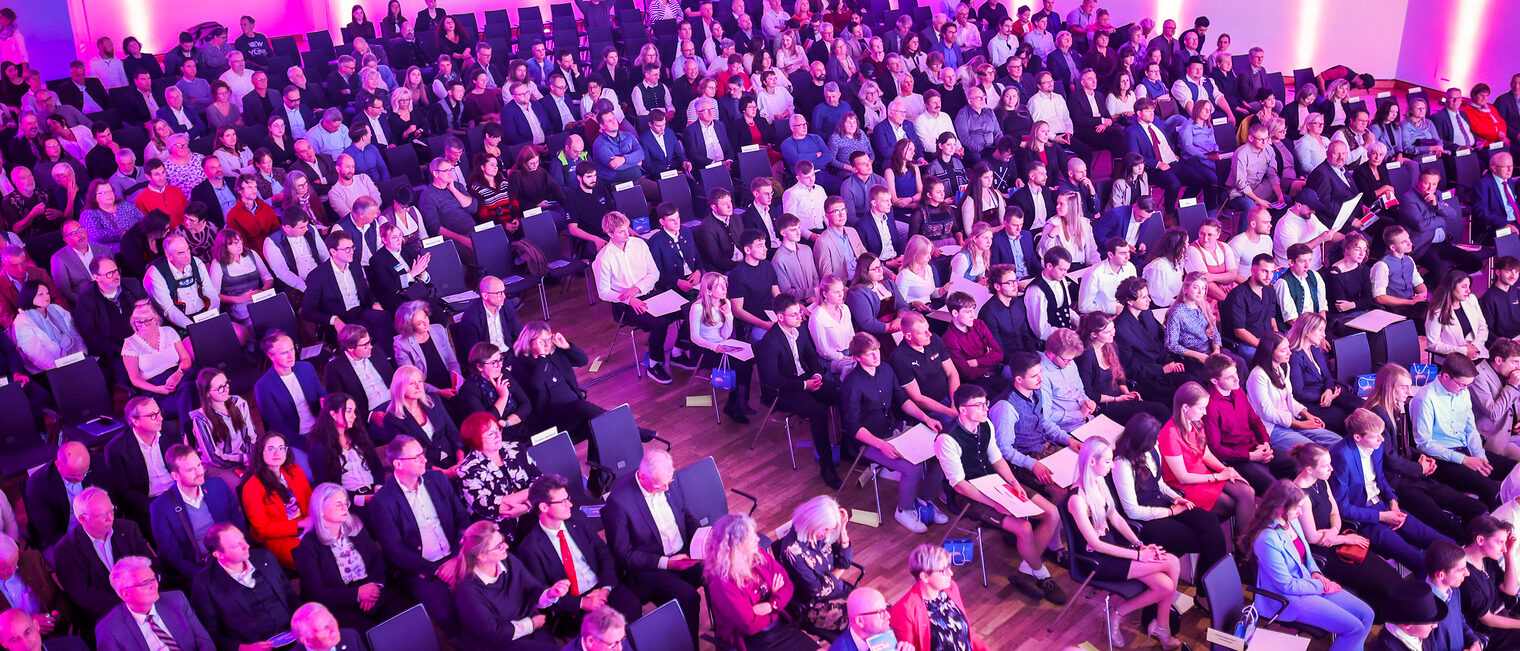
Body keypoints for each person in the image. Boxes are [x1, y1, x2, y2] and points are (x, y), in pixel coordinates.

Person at [937, 384, 1066, 604]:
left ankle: (1026, 571)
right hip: (971, 493)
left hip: (996, 484)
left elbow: (996, 459)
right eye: (978, 405)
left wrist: (1014, 482)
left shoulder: (985, 424)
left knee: (1052, 513)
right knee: (1024, 527)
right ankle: (1043, 574)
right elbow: (959, 485)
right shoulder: (946, 439)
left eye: (985, 403)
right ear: (962, 410)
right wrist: (994, 503)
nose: (985, 408)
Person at [1069, 437, 1183, 648]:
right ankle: (1161, 629)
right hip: (1097, 561)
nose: (1112, 466)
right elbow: (1097, 544)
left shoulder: (1099, 482)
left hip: (1114, 551)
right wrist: (1140, 555)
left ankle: (1119, 614)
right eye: (1108, 461)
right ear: (1092, 462)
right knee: (1173, 563)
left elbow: (1116, 518)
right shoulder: (1077, 499)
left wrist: (1139, 544)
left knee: (1166, 586)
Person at [1238, 480, 1375, 651]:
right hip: (1289, 598)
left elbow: (1307, 557)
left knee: (1367, 615)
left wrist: (1316, 574)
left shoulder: (1292, 522)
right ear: (1281, 508)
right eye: (1297, 508)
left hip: (1308, 582)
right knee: (1354, 629)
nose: (1301, 512)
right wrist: (1321, 585)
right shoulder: (1267, 539)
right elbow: (1286, 585)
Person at [841, 333, 948, 533]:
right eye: (869, 353)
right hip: (870, 441)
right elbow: (852, 425)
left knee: (941, 453)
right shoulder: (852, 384)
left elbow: (903, 400)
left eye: (877, 350)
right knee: (911, 468)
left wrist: (926, 418)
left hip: (894, 429)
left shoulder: (886, 369)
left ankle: (924, 500)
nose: (876, 356)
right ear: (857, 358)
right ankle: (904, 510)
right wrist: (881, 445)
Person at [1329, 408, 1454, 576]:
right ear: (1358, 437)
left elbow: (1380, 479)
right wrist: (1383, 517)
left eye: (1381, 434)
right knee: (1420, 561)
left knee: (1446, 543)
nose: (1382, 439)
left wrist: (1393, 503)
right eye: (1376, 436)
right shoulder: (1341, 456)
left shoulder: (1377, 446)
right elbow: (1342, 508)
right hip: (1362, 517)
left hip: (1384, 506)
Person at [369, 435, 470, 636]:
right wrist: (436, 570)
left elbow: (462, 520)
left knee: (483, 594)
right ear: (398, 464)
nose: (424, 460)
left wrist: (456, 558)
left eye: (422, 454)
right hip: (422, 569)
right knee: (446, 613)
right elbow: (395, 550)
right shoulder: (383, 501)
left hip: (456, 555)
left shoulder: (438, 479)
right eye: (417, 457)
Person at [1286, 444, 1404, 615]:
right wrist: (1345, 539)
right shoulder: (1300, 495)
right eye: (1326, 466)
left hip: (1334, 539)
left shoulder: (1321, 480)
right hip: (1320, 552)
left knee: (1389, 576)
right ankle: (1375, 615)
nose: (1331, 469)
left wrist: (1334, 530)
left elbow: (1335, 512)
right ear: (1309, 469)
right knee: (1383, 584)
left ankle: (1380, 613)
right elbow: (1312, 537)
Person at [601, 449, 703, 639]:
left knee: (720, 571)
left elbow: (685, 514)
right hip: (652, 567)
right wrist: (667, 563)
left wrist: (702, 538)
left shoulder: (668, 480)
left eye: (668, 483)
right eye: (660, 486)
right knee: (689, 598)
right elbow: (624, 555)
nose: (666, 489)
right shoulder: (619, 502)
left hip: (684, 552)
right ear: (643, 477)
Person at [292, 484, 402, 630]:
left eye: (346, 503)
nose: (345, 508)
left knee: (400, 615)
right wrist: (357, 594)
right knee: (367, 630)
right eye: (338, 504)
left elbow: (377, 558)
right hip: (340, 601)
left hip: (370, 586)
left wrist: (374, 586)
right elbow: (316, 591)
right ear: (321, 509)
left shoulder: (354, 527)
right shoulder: (308, 545)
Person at [703, 513, 815, 651]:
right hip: (751, 641)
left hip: (778, 626)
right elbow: (749, 626)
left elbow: (787, 585)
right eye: (751, 537)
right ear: (738, 546)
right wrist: (776, 599)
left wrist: (771, 605)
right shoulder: (721, 583)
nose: (757, 538)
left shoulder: (759, 555)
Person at [452, 519, 567, 651]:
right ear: (482, 556)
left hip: (526, 628)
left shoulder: (509, 560)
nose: (506, 546)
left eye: (502, 540)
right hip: (499, 643)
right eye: (499, 546)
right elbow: (494, 633)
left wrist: (551, 593)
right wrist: (531, 624)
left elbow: (534, 589)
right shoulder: (468, 590)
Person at [54, 488, 159, 629]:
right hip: (104, 614)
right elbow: (82, 593)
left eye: (112, 510)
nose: (111, 518)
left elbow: (149, 564)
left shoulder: (128, 529)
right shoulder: (66, 550)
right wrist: (127, 607)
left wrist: (141, 597)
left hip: (143, 599)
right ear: (83, 519)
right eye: (103, 515)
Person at [1414, 353, 1505, 507]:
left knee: (1515, 468)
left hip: (1467, 451)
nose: (1465, 389)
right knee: (1491, 489)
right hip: (1442, 459)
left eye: (1468, 385)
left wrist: (1480, 456)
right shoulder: (1425, 398)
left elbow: (1471, 430)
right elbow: (1424, 444)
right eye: (1462, 385)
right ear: (1446, 377)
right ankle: (1491, 525)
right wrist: (1465, 460)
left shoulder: (1463, 392)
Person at [149, 445, 247, 585]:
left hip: (232, 555)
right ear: (175, 476)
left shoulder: (217, 486)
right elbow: (173, 556)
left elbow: (237, 523)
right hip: (200, 570)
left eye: (199, 465)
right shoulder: (160, 508)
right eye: (190, 470)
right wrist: (204, 577)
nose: (199, 472)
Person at [189, 524, 296, 651]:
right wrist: (243, 648)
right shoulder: (205, 583)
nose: (247, 546)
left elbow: (290, 595)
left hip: (293, 635)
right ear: (218, 554)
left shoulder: (265, 557)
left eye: (243, 539)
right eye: (236, 545)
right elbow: (209, 632)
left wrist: (301, 622)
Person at [106, 396, 191, 532]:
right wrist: (154, 507)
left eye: (159, 412)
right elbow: (123, 490)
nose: (160, 418)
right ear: (135, 421)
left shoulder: (171, 429)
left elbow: (181, 464)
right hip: (148, 502)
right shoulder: (116, 449)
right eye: (152, 415)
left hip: (178, 491)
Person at [95, 556, 213, 651]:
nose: (155, 585)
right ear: (126, 594)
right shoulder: (109, 630)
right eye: (146, 583)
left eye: (154, 578)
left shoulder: (177, 600)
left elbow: (203, 641)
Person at [513, 322, 605, 442]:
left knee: (595, 427)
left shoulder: (554, 353)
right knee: (586, 409)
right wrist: (541, 356)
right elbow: (536, 385)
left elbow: (582, 361)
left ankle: (595, 460)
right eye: (542, 341)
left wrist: (566, 346)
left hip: (576, 409)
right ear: (529, 342)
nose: (547, 344)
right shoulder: (521, 364)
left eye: (549, 339)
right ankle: (630, 428)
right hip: (553, 416)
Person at [888, 544, 990, 651]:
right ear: (925, 577)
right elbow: (907, 648)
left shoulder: (951, 587)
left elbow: (964, 631)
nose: (951, 573)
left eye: (949, 567)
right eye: (943, 571)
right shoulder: (904, 610)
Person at [240, 431, 311, 570]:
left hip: (308, 526)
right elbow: (262, 530)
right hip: (280, 538)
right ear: (261, 453)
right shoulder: (251, 487)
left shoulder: (294, 470)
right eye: (271, 449)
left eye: (281, 448)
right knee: (312, 560)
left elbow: (310, 501)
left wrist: (312, 523)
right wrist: (299, 524)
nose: (277, 453)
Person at [1286, 313, 1360, 430]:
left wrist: (1329, 391)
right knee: (1345, 418)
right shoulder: (1294, 356)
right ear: (1306, 330)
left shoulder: (1315, 349)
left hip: (1327, 393)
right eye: (1320, 330)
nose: (1324, 335)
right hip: (1312, 402)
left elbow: (1327, 376)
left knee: (1360, 406)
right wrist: (1325, 396)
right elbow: (1299, 393)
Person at [253, 330, 326, 448]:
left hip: (321, 425)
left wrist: (324, 400)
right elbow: (278, 425)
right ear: (271, 356)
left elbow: (320, 391)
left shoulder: (306, 368)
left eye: (292, 349)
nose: (291, 356)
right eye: (284, 353)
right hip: (298, 436)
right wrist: (308, 445)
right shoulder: (263, 387)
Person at [23, 441, 100, 552]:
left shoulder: (97, 462)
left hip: (96, 530)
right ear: (58, 465)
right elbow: (48, 530)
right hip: (62, 538)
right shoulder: (38, 484)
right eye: (74, 475)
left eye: (85, 472)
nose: (81, 478)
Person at [1457, 515, 1520, 648]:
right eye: (1499, 542)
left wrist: (1508, 556)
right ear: (1480, 540)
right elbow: (1487, 619)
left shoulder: (1487, 557)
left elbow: (1511, 590)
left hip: (1505, 611)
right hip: (1490, 631)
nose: (1503, 548)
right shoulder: (1465, 573)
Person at [187, 369, 256, 488]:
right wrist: (241, 458)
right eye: (220, 388)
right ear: (207, 393)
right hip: (218, 465)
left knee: (265, 476)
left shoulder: (239, 403)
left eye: (226, 384)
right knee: (241, 487)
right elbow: (212, 457)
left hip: (243, 457)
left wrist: (250, 457)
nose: (226, 390)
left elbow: (250, 436)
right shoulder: (201, 419)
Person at [10, 280, 83, 373]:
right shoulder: (22, 322)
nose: (47, 296)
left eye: (47, 293)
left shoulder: (55, 309)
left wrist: (82, 353)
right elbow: (37, 356)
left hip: (74, 359)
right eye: (41, 294)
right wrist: (61, 368)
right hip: (49, 371)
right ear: (30, 296)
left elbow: (74, 332)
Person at [1426, 540, 1483, 651]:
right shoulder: (1426, 609)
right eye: (1461, 569)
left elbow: (1460, 619)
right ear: (1441, 575)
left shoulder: (1454, 590)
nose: (1467, 573)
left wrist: (1474, 641)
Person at [1426, 271, 1490, 361]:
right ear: (1451, 286)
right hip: (1451, 361)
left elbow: (1483, 327)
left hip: (1476, 355)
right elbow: (1433, 344)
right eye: (1464, 286)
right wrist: (1464, 351)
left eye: (1469, 286)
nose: (1469, 291)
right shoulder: (1436, 312)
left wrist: (1475, 346)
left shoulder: (1471, 299)